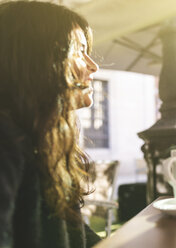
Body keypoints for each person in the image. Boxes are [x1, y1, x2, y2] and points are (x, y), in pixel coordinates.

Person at [0, 1, 101, 247]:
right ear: (37, 60)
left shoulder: (45, 142)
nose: (93, 66)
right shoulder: (6, 141)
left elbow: (78, 237)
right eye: (79, 50)